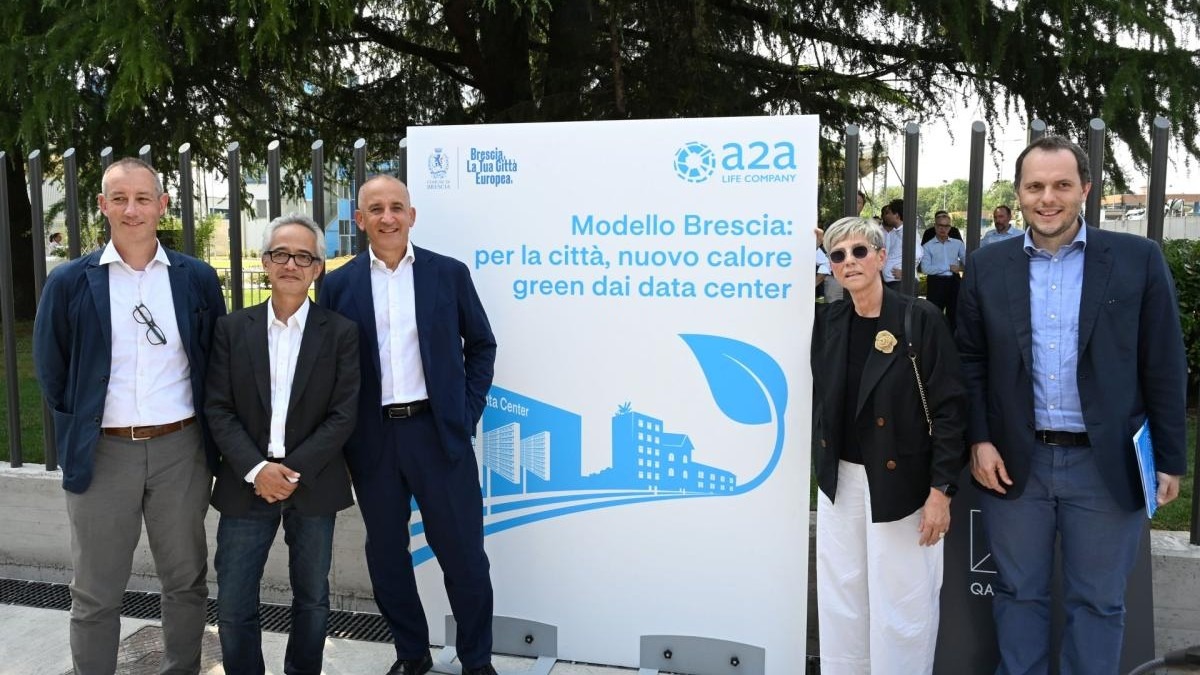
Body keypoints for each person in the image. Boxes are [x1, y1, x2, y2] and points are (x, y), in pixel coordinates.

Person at [956, 136, 1188, 674]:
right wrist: (979, 438)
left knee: (1099, 602)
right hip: (1015, 462)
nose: (1047, 198)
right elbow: (969, 361)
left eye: (1061, 185)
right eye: (1035, 186)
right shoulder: (987, 266)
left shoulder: (1137, 259)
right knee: (1018, 594)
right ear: (1018, 193)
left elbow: (1163, 363)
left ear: (1085, 188)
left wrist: (1170, 459)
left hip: (1105, 464)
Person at [33, 157, 226, 674]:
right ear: (102, 205)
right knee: (95, 590)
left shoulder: (196, 278)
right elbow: (51, 369)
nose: (131, 209)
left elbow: (215, 360)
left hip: (180, 450)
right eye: (119, 198)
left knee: (185, 581)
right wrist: (82, 428)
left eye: (142, 198)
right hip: (104, 452)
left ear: (162, 205)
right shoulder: (70, 281)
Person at [318, 175, 498, 675]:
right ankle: (412, 654)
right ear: (360, 220)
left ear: (411, 215)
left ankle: (477, 661)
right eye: (375, 209)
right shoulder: (338, 285)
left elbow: (481, 345)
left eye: (396, 207)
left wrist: (465, 413)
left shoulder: (449, 274)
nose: (388, 217)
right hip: (372, 439)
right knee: (387, 557)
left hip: (438, 434)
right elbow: (327, 364)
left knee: (463, 556)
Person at [812, 216, 967, 675]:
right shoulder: (829, 321)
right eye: (838, 255)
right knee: (843, 601)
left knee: (903, 605)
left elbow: (950, 410)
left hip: (903, 485)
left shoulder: (919, 318)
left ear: (882, 257)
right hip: (840, 482)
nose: (849, 261)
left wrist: (941, 491)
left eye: (860, 251)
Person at [206, 214, 360, 675]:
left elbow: (343, 414)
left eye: (303, 257)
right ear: (265, 262)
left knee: (312, 599)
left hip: (312, 484)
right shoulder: (232, 329)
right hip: (245, 482)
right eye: (281, 254)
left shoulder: (341, 333)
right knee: (234, 601)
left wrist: (292, 472)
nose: (291, 264)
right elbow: (218, 408)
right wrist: (259, 470)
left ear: (318, 268)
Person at [920, 210, 966, 331]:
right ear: (935, 226)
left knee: (954, 315)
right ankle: (935, 339)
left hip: (954, 281)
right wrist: (948, 267)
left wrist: (960, 267)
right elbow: (925, 268)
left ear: (950, 228)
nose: (943, 229)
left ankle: (953, 340)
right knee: (934, 315)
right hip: (936, 283)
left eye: (946, 226)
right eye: (940, 225)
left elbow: (967, 261)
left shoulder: (958, 244)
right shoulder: (927, 246)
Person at [880, 199, 923, 289]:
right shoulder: (897, 232)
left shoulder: (907, 231)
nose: (887, 216)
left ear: (896, 215)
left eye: (889, 213)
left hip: (901, 284)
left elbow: (918, 254)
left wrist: (906, 273)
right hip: (894, 283)